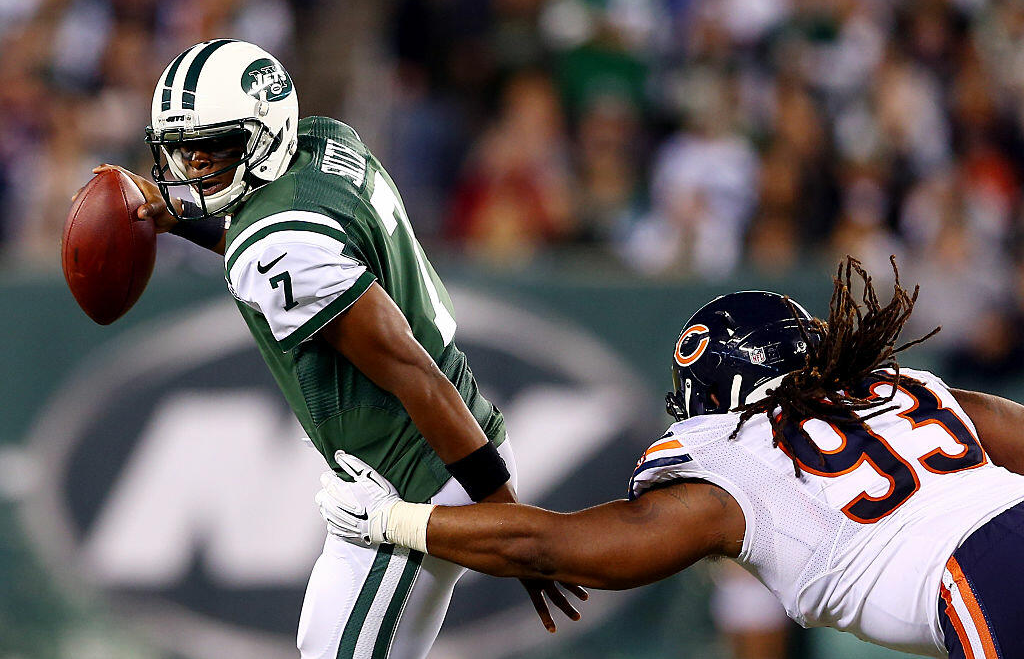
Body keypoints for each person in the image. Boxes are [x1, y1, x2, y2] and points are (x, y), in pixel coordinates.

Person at [74, 39, 584, 659]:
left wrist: (510, 525)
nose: (192, 165)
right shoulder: (323, 144)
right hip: (415, 448)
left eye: (213, 148)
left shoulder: (278, 245)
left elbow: (410, 373)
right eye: (182, 147)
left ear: (265, 134)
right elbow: (274, 228)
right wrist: (179, 217)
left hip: (409, 474)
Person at [319, 257, 1024, 659]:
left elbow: (549, 545)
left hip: (981, 577)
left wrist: (395, 523)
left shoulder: (737, 465)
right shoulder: (908, 389)